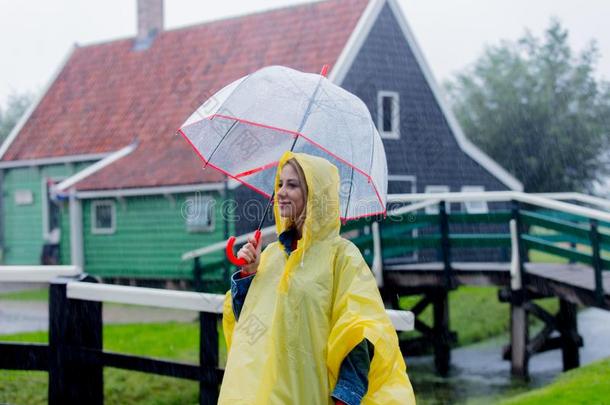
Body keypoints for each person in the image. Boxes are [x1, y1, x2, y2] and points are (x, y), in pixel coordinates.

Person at [219, 151, 415, 404]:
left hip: (314, 391)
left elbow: (361, 328)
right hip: (269, 393)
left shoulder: (342, 257)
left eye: (292, 185)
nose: (281, 192)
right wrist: (250, 275)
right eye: (279, 184)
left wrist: (346, 394)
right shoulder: (271, 255)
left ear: (314, 194)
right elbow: (248, 323)